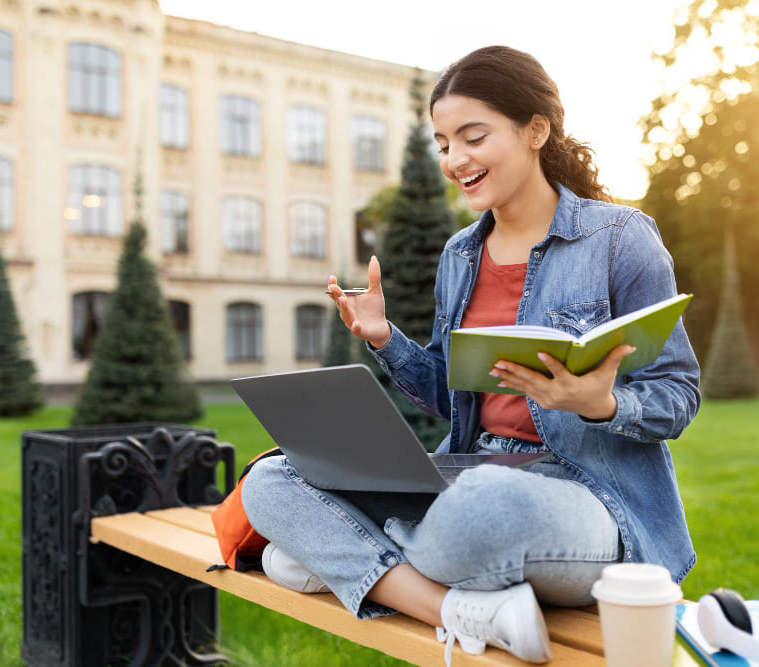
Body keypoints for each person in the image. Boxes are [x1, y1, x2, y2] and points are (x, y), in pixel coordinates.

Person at [241, 45, 700, 665]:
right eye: (442, 143)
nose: (455, 160)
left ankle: (348, 556)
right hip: (464, 474)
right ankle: (454, 605)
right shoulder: (461, 253)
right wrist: (385, 339)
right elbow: (455, 392)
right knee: (270, 480)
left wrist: (604, 402)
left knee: (479, 507)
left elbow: (679, 394)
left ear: (535, 130)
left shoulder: (619, 240)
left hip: (582, 499)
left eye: (473, 137)